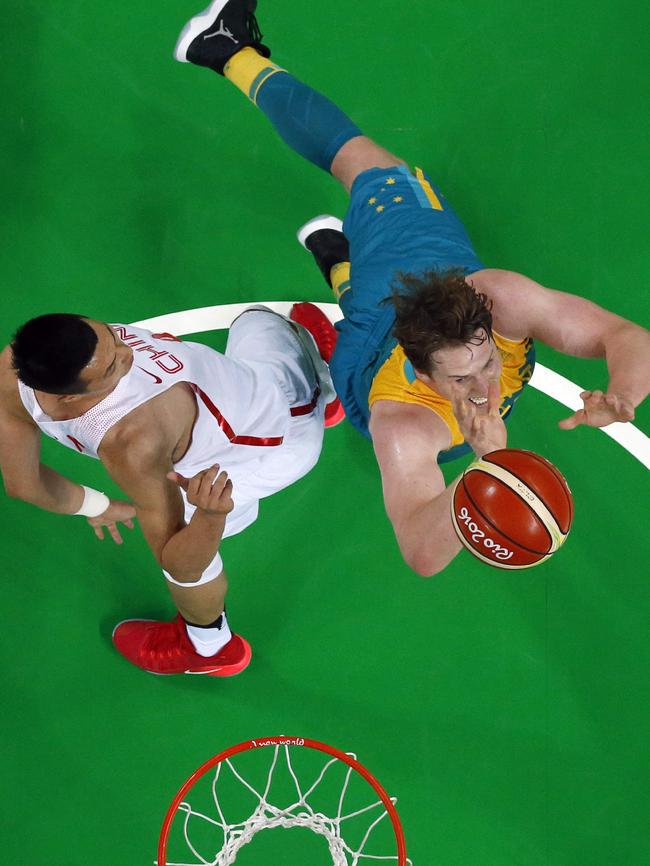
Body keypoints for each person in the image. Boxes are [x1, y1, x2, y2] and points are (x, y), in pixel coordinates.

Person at [174, 0, 650, 576]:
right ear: (424, 374)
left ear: (483, 317)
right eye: (462, 376)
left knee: (375, 181)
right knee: (358, 165)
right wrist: (490, 465)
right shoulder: (400, 427)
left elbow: (626, 336)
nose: (484, 384)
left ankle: (338, 257)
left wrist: (624, 394)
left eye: (483, 360)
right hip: (362, 374)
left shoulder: (501, 298)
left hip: (408, 273)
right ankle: (222, 49)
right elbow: (422, 555)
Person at [0, 304, 338, 674]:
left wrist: (210, 518)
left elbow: (182, 565)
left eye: (112, 338)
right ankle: (323, 383)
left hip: (281, 444)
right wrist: (97, 505)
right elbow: (23, 483)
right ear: (66, 396)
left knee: (258, 319)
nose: (128, 352)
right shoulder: (14, 369)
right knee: (255, 322)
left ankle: (207, 646)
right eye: (113, 366)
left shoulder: (134, 443)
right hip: (230, 419)